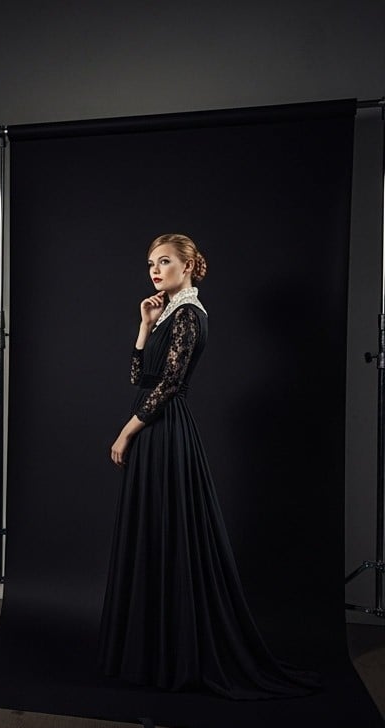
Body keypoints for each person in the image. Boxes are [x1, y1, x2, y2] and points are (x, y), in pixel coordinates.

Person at [100, 233, 316, 699]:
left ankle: (175, 654)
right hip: (151, 427)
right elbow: (139, 377)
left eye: (165, 262)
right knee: (151, 532)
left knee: (172, 535)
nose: (155, 270)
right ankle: (147, 652)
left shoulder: (192, 317)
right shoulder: (165, 316)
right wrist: (143, 324)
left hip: (163, 430)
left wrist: (124, 432)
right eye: (151, 263)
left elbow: (170, 385)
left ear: (188, 266)